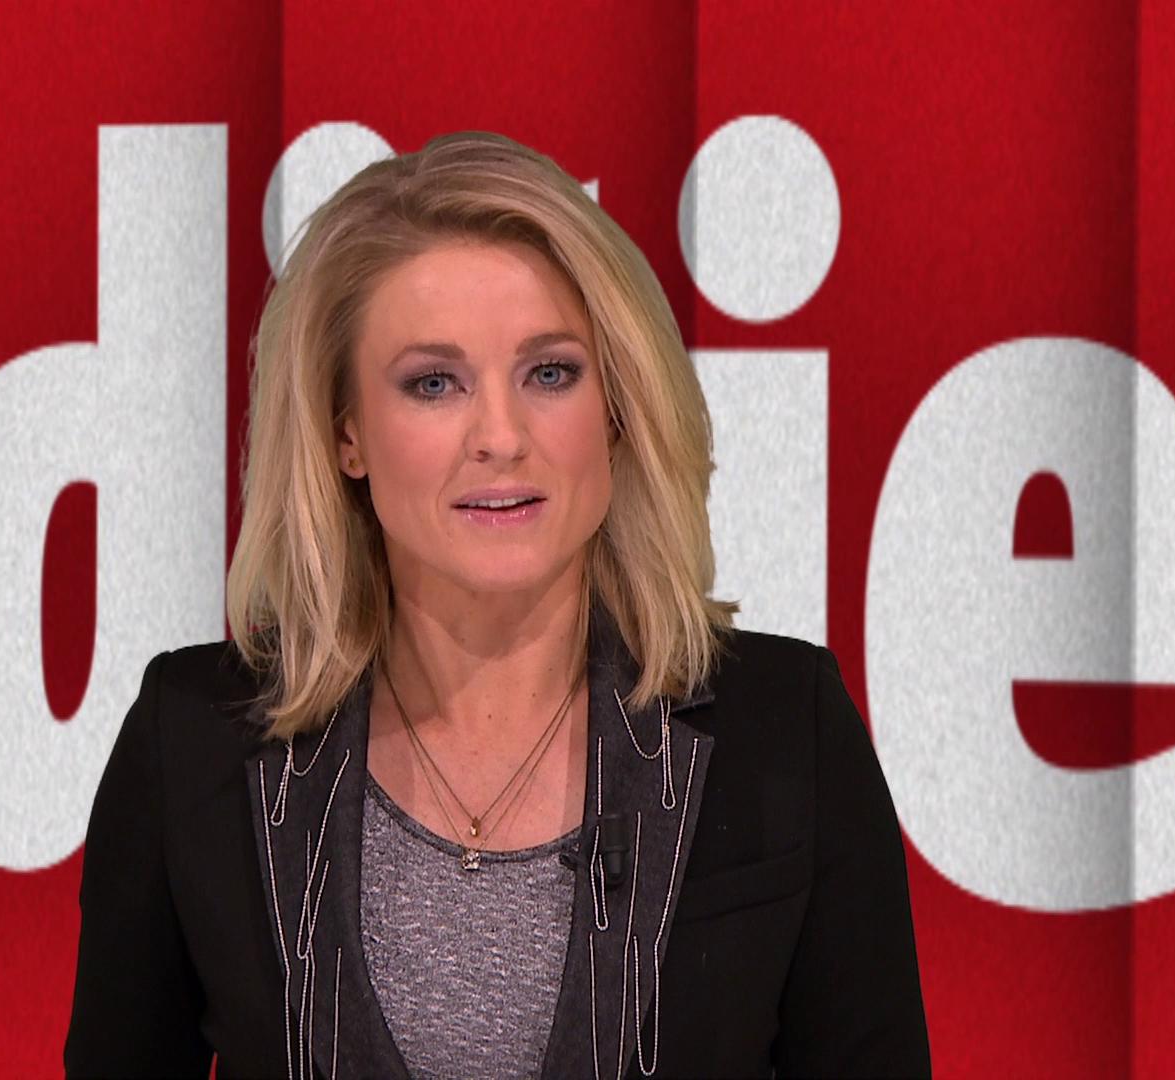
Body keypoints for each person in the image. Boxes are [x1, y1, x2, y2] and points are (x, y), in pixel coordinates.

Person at [63, 129, 930, 1079]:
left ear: (617, 409)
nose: (502, 436)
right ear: (346, 433)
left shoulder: (788, 730)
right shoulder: (191, 743)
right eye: (434, 384)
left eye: (549, 373)